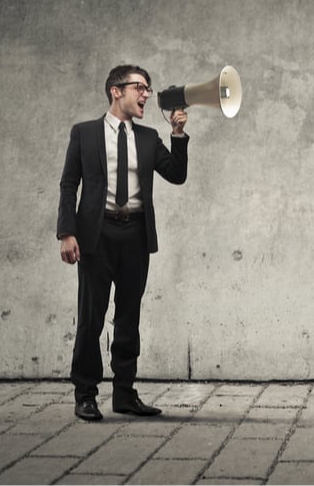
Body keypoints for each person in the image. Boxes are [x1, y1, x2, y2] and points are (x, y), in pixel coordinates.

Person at [57, 65, 190, 421]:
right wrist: (67, 233)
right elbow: (69, 184)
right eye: (140, 88)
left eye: (148, 89)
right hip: (96, 236)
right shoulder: (84, 133)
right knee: (91, 318)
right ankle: (85, 395)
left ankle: (124, 394)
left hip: (135, 235)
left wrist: (177, 134)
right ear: (116, 91)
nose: (146, 94)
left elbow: (176, 175)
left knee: (129, 317)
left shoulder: (147, 138)